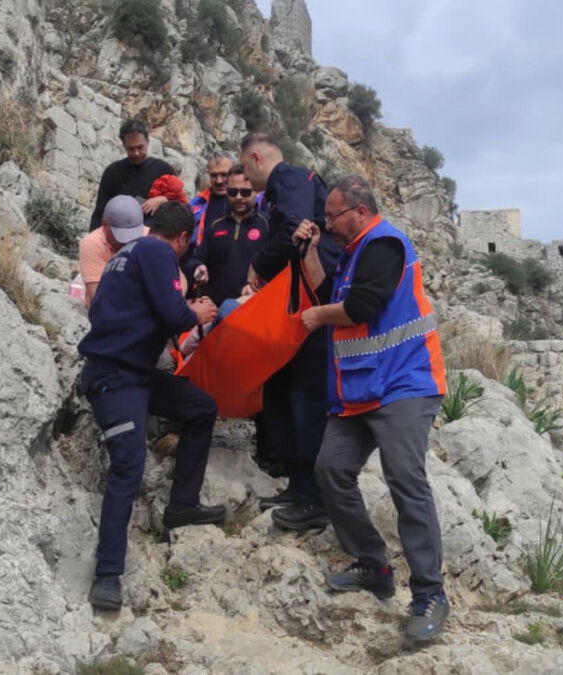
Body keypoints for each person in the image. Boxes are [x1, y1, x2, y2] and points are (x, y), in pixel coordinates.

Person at [292, 175, 450, 643]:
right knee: (331, 469)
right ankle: (374, 565)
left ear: (359, 212)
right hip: (361, 390)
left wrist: (317, 318)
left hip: (405, 383)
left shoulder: (383, 244)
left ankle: (429, 593)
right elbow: (332, 297)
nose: (327, 222)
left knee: (405, 479)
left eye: (332, 215)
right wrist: (308, 253)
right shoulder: (351, 254)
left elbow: (357, 308)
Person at [77, 200, 226, 612]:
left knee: (200, 407)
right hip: (115, 377)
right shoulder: (158, 251)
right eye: (186, 244)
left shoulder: (124, 255)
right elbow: (172, 313)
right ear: (182, 239)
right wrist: (195, 312)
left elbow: (140, 313)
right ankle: (108, 575)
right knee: (128, 465)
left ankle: (182, 506)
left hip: (134, 372)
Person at [238, 132, 342, 526]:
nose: (245, 179)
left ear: (256, 158)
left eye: (245, 169)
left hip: (316, 300)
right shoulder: (291, 183)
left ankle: (314, 497)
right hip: (308, 299)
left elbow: (292, 231)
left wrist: (258, 266)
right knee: (287, 392)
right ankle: (300, 485)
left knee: (305, 399)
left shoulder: (287, 178)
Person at [192, 165, 269, 307]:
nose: (239, 197)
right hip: (214, 309)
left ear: (256, 192)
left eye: (245, 192)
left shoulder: (268, 225)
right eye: (233, 192)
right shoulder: (215, 225)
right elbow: (197, 257)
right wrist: (199, 267)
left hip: (252, 306)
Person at [89, 120, 177, 231]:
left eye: (140, 147)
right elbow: (100, 212)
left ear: (148, 142)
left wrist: (162, 200)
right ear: (124, 146)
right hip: (117, 235)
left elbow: (180, 207)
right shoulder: (113, 172)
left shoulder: (163, 169)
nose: (136, 153)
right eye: (131, 149)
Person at [78, 195, 147, 307]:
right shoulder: (93, 243)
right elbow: (99, 297)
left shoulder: (150, 237)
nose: (127, 242)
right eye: (121, 236)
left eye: (133, 234)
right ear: (105, 224)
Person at [189, 151, 235, 246]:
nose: (219, 181)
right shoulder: (196, 203)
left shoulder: (251, 202)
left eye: (224, 174)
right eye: (214, 175)